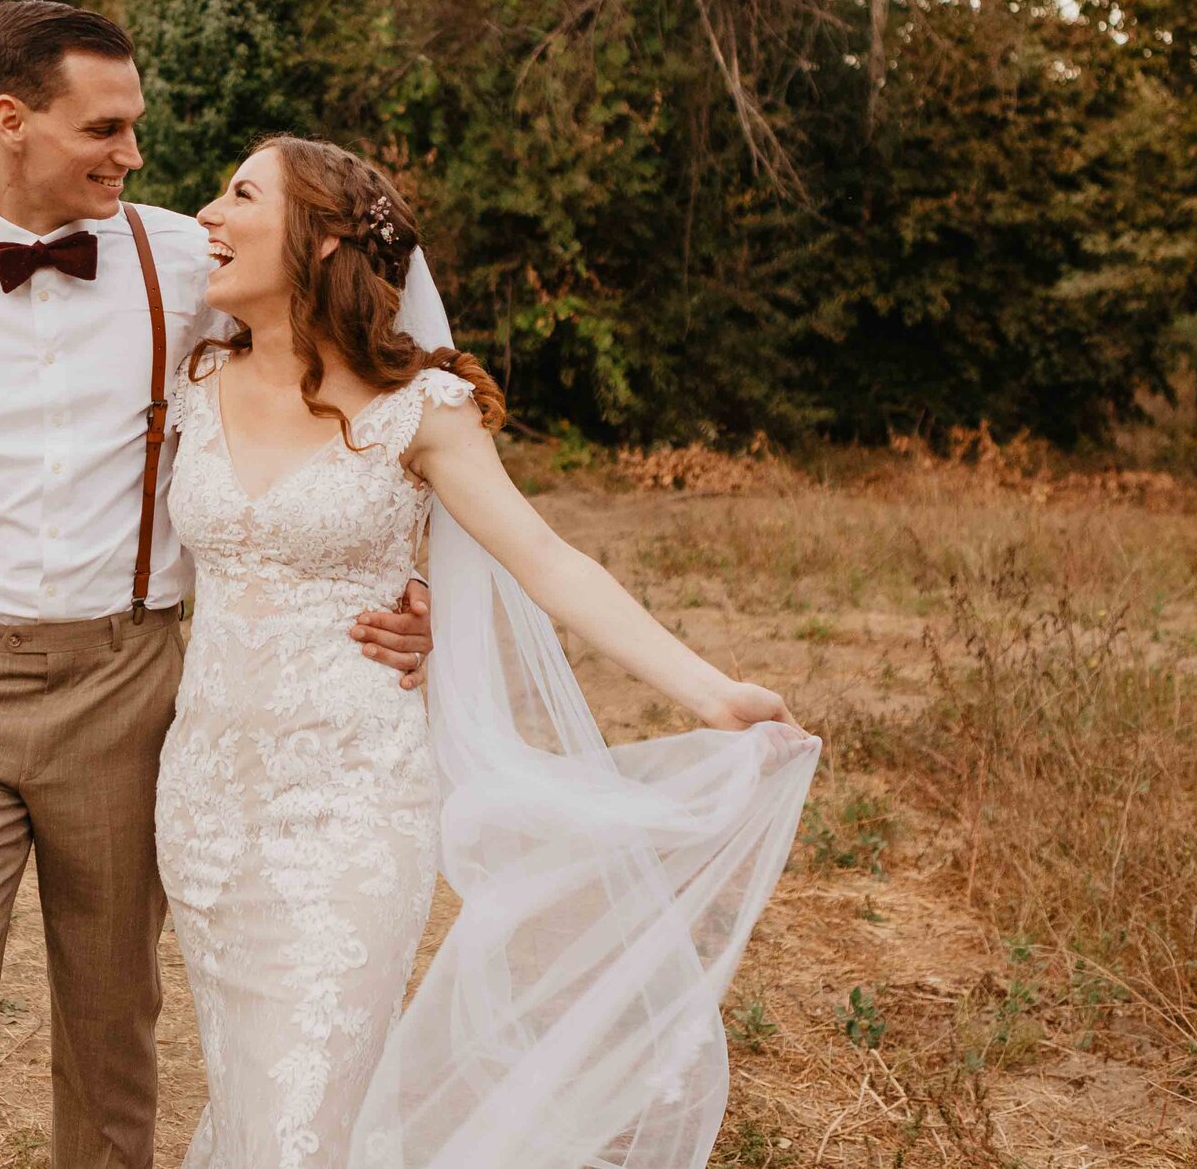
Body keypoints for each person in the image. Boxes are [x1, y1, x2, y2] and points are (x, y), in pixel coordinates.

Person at [0, 4, 432, 1169]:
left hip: (130, 683)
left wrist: (403, 579)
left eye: (135, 125)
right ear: (14, 120)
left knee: (111, 1027)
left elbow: (347, 381)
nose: (133, 153)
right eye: (105, 127)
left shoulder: (180, 256)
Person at [154, 136, 817, 1169]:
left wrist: (715, 690)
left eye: (240, 193)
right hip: (201, 802)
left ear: (323, 233)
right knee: (250, 1093)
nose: (207, 211)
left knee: (302, 1117)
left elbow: (545, 559)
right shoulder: (195, 382)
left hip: (348, 806)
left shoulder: (422, 407)